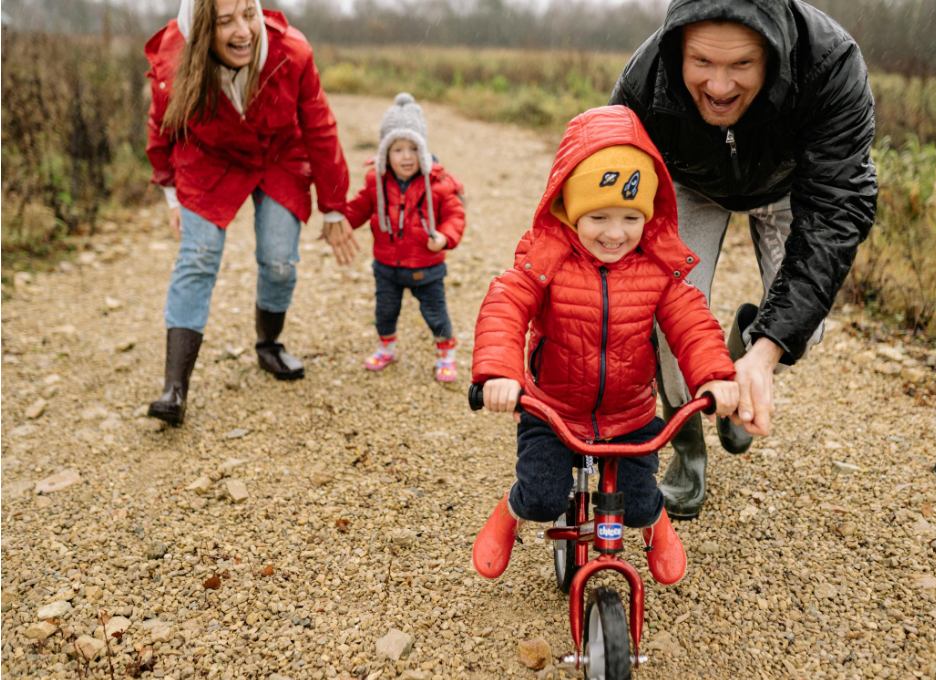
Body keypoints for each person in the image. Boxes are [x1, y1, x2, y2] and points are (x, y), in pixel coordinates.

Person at [609, 0, 878, 518]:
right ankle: (686, 448)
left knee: (803, 329)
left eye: (741, 65)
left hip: (787, 185)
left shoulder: (831, 65)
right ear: (677, 50)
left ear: (773, 54)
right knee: (666, 321)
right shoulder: (645, 82)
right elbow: (607, 190)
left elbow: (837, 211)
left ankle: (742, 363)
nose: (718, 86)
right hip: (690, 183)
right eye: (702, 62)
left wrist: (767, 351)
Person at [469, 106, 739, 585]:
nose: (615, 234)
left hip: (629, 413)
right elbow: (506, 304)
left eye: (631, 217)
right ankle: (511, 512)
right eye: (598, 217)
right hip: (552, 409)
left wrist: (715, 376)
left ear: (648, 214)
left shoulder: (656, 267)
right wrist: (499, 373)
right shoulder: (547, 258)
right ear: (571, 209)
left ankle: (655, 522)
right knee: (541, 495)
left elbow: (692, 321)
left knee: (639, 502)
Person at [144, 0, 356, 425]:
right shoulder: (174, 61)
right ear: (201, 32)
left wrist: (334, 208)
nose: (243, 31)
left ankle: (268, 345)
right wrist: (171, 195)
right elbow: (161, 127)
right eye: (225, 21)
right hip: (209, 159)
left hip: (278, 154)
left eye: (249, 14)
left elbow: (319, 127)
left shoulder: (291, 53)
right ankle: (174, 389)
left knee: (279, 261)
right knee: (198, 257)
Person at [343, 94, 466, 383]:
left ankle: (446, 353)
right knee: (385, 311)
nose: (407, 156)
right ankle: (386, 348)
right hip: (386, 265)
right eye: (398, 149)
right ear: (385, 152)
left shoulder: (438, 183)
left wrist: (444, 237)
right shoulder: (376, 181)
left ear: (423, 150)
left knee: (435, 313)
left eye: (413, 148)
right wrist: (341, 222)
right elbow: (359, 208)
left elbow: (455, 216)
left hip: (427, 267)